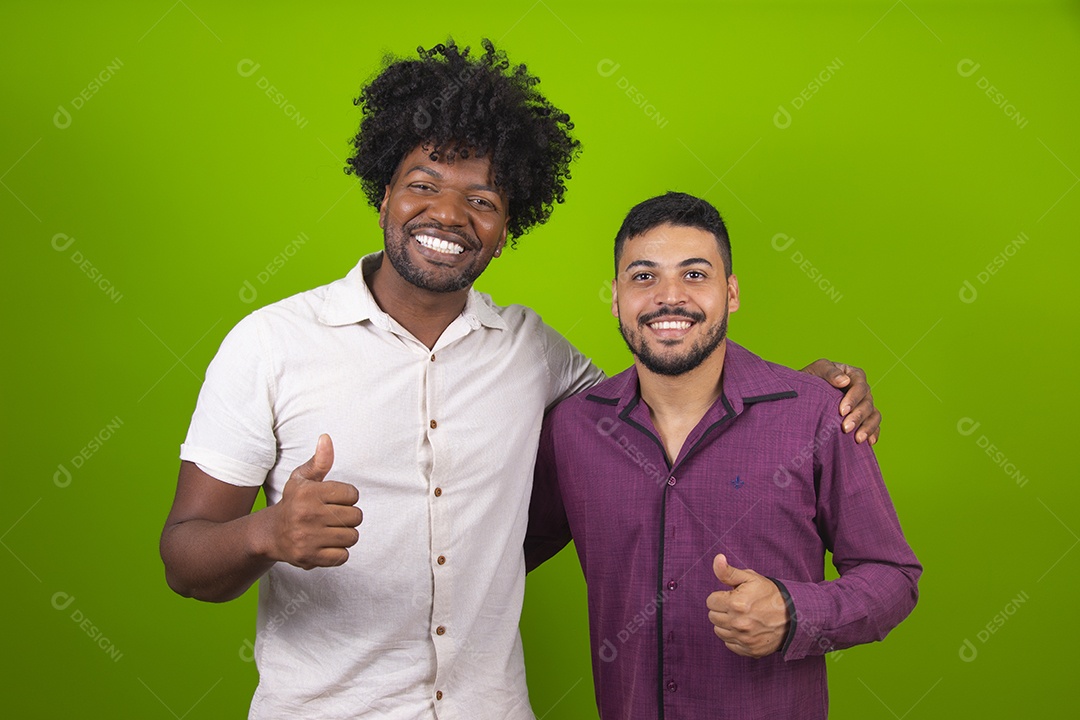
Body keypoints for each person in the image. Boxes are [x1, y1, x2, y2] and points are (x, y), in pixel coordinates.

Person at [159, 41, 882, 719]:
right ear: (383, 194)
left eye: (483, 199)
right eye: (423, 184)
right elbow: (185, 560)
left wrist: (798, 392)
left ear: (508, 228)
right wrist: (266, 533)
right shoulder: (270, 344)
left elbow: (662, 402)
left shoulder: (533, 350)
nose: (448, 213)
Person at [526, 192, 920, 720]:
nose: (670, 297)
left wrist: (795, 613)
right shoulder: (573, 429)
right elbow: (495, 557)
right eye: (644, 276)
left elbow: (892, 574)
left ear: (730, 293)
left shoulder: (818, 416)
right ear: (616, 298)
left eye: (695, 275)